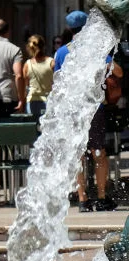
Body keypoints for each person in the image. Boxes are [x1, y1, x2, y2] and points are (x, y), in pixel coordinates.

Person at [54, 10, 122, 212]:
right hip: (94, 108)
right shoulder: (95, 50)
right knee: (98, 152)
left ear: (69, 29)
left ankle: (83, 199)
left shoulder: (61, 52)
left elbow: (56, 82)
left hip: (71, 108)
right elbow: (118, 71)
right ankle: (101, 197)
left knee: (78, 155)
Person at [23, 35, 54, 120]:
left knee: (32, 129)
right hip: (48, 100)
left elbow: (26, 87)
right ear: (43, 46)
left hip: (31, 101)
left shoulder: (27, 64)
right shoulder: (51, 62)